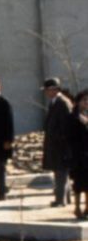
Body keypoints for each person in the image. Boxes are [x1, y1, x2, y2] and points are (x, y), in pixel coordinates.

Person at [42, 77, 74, 207]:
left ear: (54, 89)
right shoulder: (55, 102)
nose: (46, 93)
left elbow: (66, 126)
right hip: (55, 145)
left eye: (48, 90)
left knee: (61, 173)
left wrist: (61, 142)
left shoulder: (62, 103)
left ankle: (60, 200)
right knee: (59, 172)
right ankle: (65, 198)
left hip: (61, 146)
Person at [69, 90, 88, 219]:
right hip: (78, 156)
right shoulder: (73, 117)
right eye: (84, 100)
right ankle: (77, 208)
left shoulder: (85, 115)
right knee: (78, 184)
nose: (86, 102)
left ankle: (87, 207)